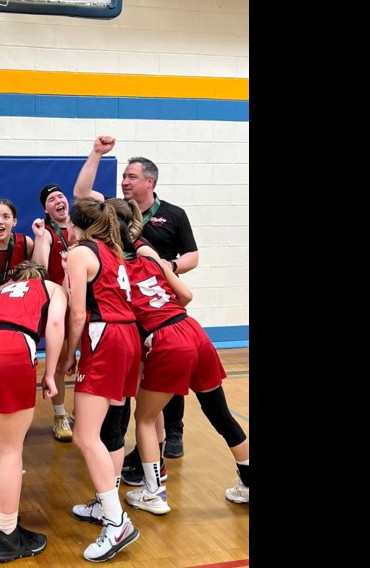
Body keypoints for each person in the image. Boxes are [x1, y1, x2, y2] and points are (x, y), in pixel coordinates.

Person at [112, 199, 248, 510]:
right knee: (220, 414)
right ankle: (249, 483)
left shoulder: (113, 271)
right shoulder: (153, 261)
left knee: (145, 418)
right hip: (193, 330)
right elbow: (186, 295)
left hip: (167, 340)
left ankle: (153, 494)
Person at [73, 136, 198, 460]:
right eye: (124, 177)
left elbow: (193, 257)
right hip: (125, 310)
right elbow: (81, 195)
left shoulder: (172, 215)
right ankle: (143, 459)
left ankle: (173, 433)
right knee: (137, 386)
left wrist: (165, 266)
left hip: (155, 302)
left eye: (131, 177)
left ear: (149, 181)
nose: (125, 182)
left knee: (164, 373)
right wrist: (97, 153)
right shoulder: (114, 210)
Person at [0, 261, 66, 562]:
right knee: (10, 449)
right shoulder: (53, 288)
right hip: (9, 347)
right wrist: (51, 372)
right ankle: (7, 536)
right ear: (40, 277)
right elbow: (56, 325)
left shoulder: (3, 289)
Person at [63, 198, 141, 562]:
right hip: (128, 337)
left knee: (84, 436)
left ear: (75, 224)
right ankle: (103, 502)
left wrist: (68, 355)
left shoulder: (80, 252)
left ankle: (116, 521)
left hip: (104, 337)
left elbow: (78, 313)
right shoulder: (114, 251)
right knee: (111, 426)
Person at [31, 184, 74, 442]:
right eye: (51, 199)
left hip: (87, 305)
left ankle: (85, 410)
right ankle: (59, 414)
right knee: (58, 364)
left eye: (61, 196)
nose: (58, 200)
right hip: (60, 306)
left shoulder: (84, 228)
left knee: (88, 363)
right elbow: (39, 268)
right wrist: (38, 238)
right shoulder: (47, 233)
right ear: (46, 208)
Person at [0, 199, 34, 286]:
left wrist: (40, 237)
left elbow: (36, 276)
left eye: (6, 217)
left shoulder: (26, 243)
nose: (0, 222)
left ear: (14, 221)